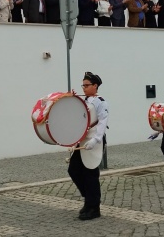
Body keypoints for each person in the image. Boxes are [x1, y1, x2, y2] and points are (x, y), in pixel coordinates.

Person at [68, 72, 109, 220]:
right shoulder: (84, 101)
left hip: (93, 140)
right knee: (73, 169)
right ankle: (89, 199)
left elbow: (103, 122)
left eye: (86, 85)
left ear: (95, 86)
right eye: (83, 85)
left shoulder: (101, 102)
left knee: (91, 173)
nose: (84, 88)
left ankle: (93, 208)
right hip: (83, 140)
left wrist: (96, 140)